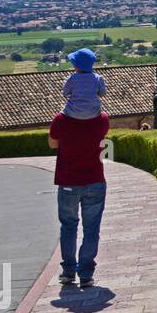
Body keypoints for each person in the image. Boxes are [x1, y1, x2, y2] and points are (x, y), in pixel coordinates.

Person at [48, 107, 110, 289]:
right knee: (91, 229)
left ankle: (68, 272)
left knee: (68, 226)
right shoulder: (102, 119)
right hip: (95, 181)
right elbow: (102, 142)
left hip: (68, 182)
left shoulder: (60, 119)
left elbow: (52, 144)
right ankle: (86, 274)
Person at [62, 48, 106, 119]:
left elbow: (65, 93)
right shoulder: (98, 78)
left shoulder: (72, 78)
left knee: (58, 117)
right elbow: (102, 94)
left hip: (72, 113)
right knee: (103, 113)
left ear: (76, 65)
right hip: (94, 113)